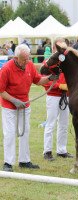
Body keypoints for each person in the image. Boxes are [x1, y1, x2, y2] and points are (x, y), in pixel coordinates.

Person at [0, 44, 58, 172]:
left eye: (28, 58)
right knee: (9, 133)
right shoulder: (6, 69)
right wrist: (14, 100)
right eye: (24, 59)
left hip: (24, 105)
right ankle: (8, 163)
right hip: (10, 106)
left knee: (25, 132)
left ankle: (24, 160)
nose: (27, 61)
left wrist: (49, 78)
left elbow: (37, 80)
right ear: (16, 58)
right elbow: (1, 90)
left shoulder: (29, 65)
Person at [42, 38, 73, 161]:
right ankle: (47, 151)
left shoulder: (67, 63)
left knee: (64, 124)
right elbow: (44, 79)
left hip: (65, 95)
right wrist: (58, 86)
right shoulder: (49, 62)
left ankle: (61, 150)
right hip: (53, 95)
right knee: (51, 123)